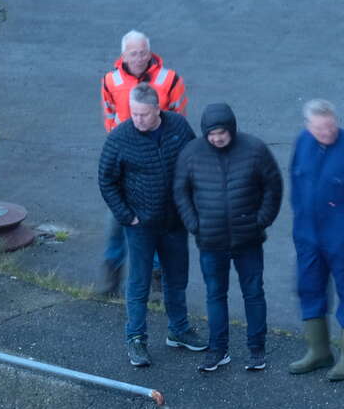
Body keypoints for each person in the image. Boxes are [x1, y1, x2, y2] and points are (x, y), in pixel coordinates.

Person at [97, 83, 203, 368]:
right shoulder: (120, 138)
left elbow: (194, 162)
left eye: (144, 114)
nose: (138, 120)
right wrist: (126, 215)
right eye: (134, 114)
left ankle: (178, 330)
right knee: (139, 282)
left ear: (158, 109)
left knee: (176, 278)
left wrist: (190, 206)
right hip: (140, 224)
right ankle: (135, 338)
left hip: (174, 221)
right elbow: (106, 181)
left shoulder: (178, 127)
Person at [174, 102, 283, 373]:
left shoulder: (255, 150)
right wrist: (194, 224)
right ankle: (217, 350)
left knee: (253, 293)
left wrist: (261, 221)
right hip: (211, 241)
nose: (217, 138)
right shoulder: (191, 153)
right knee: (215, 295)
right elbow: (180, 191)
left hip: (248, 240)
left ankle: (256, 349)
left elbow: (273, 187)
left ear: (231, 129)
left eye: (221, 132)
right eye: (211, 133)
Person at [288, 99, 344, 381]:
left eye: (330, 125)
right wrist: (300, 217)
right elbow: (295, 179)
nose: (326, 132)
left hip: (343, 240)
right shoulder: (302, 143)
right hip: (308, 236)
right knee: (309, 287)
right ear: (308, 126)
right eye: (319, 128)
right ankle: (319, 351)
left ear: (336, 121)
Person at [96, 30, 187, 295]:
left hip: (158, 165)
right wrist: (120, 146)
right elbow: (109, 115)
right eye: (133, 53)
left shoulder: (170, 80)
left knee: (156, 223)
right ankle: (111, 278)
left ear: (150, 52)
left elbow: (179, 118)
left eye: (143, 52)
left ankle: (157, 282)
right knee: (117, 222)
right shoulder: (110, 81)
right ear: (123, 55)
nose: (138, 58)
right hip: (125, 164)